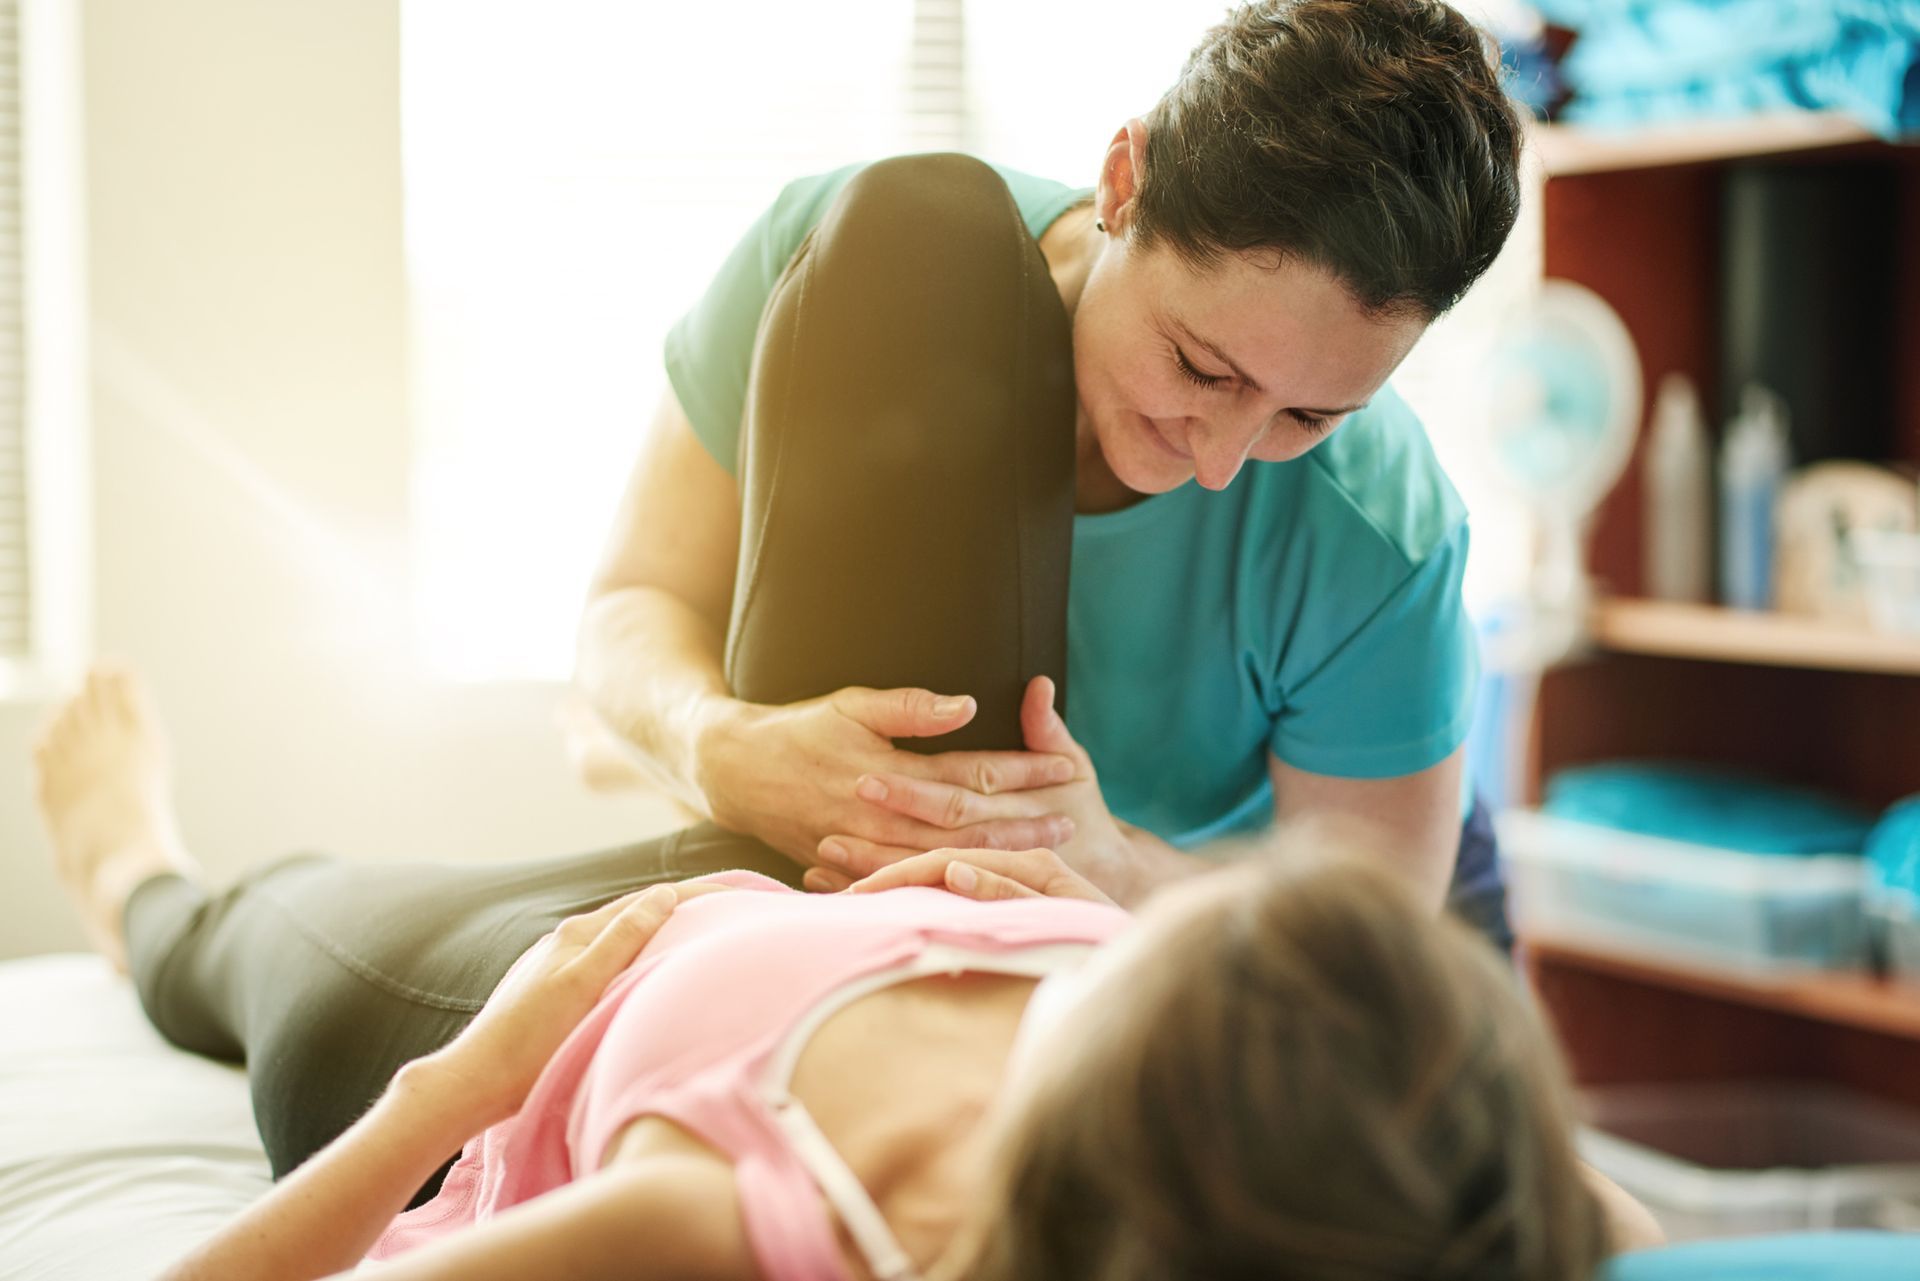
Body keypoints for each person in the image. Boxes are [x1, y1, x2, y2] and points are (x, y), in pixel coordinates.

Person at [32, 668, 1648, 1281]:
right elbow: (1624, 1225)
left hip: (540, 1004)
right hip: (786, 895)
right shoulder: (1421, 1167)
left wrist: (447, 1093)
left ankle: (131, 873)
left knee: (266, 932)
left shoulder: (741, 1216)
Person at [574, 0, 1524, 941]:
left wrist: (1119, 868)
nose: (1221, 461)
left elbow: (1369, 935)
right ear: (1123, 187)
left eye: (1309, 415)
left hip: (1296, 901)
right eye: (1201, 367)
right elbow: (631, 604)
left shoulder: (1382, 531)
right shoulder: (839, 263)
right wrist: (712, 746)